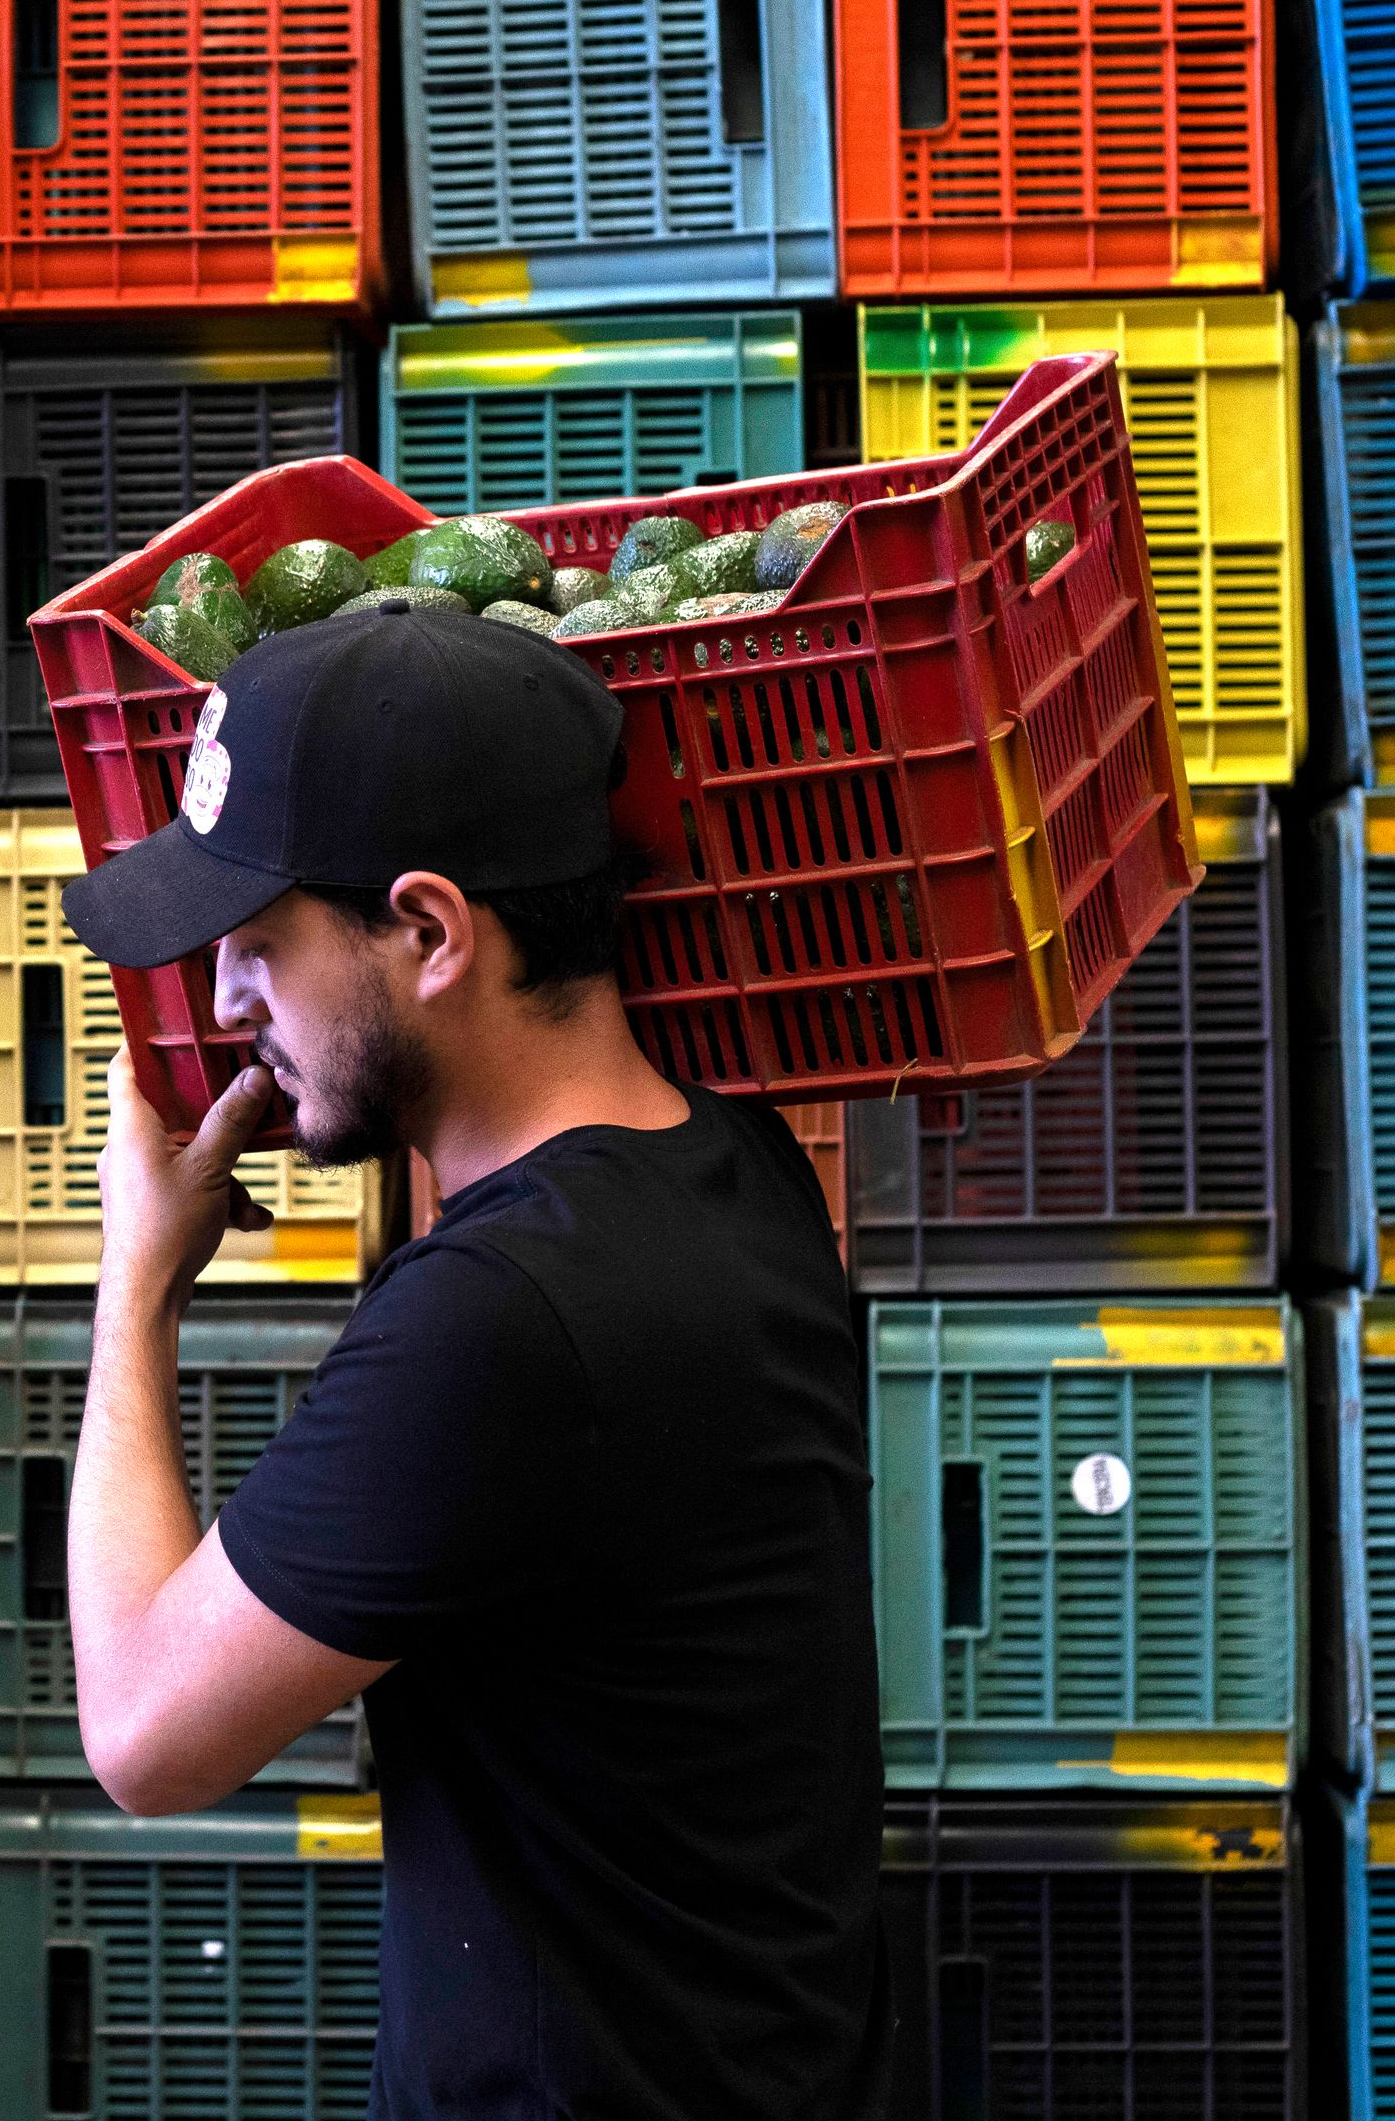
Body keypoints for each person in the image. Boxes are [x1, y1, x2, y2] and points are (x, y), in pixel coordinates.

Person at [57, 594, 886, 2120]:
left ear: (432, 931)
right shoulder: (736, 1168)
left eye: (259, 947)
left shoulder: (502, 1321)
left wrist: (137, 1286)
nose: (230, 1007)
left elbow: (144, 1732)